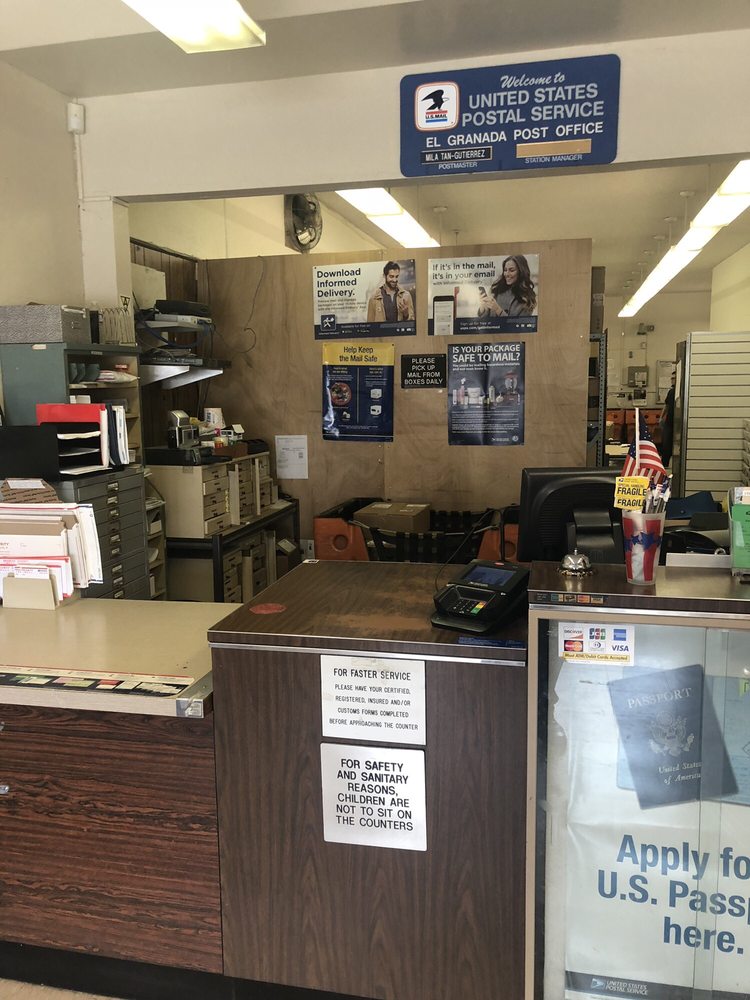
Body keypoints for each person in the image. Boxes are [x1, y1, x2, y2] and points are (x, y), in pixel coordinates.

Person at [659, 368, 676, 466]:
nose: (672, 380)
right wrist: (661, 417)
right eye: (671, 378)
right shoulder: (671, 392)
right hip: (669, 422)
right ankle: (664, 464)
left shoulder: (680, 392)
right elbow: (666, 405)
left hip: (677, 422)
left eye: (673, 378)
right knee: (666, 444)